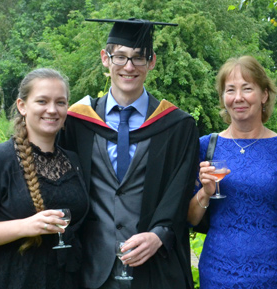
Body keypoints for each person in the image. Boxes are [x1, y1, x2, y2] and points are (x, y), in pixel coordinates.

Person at [58, 18, 199, 289]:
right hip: (90, 269)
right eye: (120, 57)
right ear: (105, 58)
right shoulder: (76, 122)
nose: (129, 67)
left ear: (152, 61)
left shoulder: (176, 126)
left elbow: (179, 191)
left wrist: (159, 235)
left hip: (155, 268)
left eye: (138, 58)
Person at [0, 68, 89, 289]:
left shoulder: (74, 160)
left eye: (60, 102)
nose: (52, 110)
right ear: (22, 106)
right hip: (15, 281)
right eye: (42, 101)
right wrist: (25, 226)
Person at [187, 55, 277, 288]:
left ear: (264, 95)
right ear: (223, 98)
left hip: (275, 273)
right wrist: (205, 192)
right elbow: (190, 220)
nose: (238, 98)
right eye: (230, 90)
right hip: (218, 273)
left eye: (247, 88)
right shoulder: (206, 146)